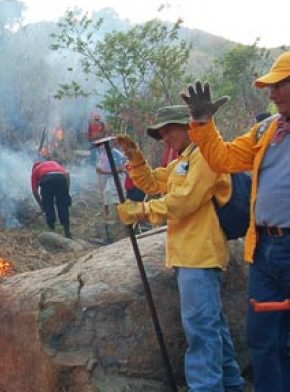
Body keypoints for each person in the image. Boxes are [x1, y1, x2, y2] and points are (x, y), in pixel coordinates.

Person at [114, 104, 245, 392]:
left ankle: (206, 387)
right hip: (189, 255)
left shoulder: (205, 158)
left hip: (200, 254)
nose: (164, 137)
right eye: (160, 133)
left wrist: (141, 211)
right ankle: (233, 384)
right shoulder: (184, 160)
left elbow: (183, 201)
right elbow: (154, 181)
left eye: (168, 129)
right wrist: (135, 158)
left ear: (187, 126)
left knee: (200, 331)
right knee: (213, 327)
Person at [180, 51, 290, 392]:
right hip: (264, 249)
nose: (270, 94)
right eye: (269, 87)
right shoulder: (265, 130)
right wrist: (202, 123)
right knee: (263, 338)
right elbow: (223, 158)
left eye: (278, 85)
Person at [31, 160, 72, 238]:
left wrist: (42, 205)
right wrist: (67, 193)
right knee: (63, 205)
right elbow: (67, 175)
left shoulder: (35, 170)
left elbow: (34, 191)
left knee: (48, 205)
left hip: (47, 181)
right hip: (61, 179)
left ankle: (52, 228)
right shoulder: (53, 163)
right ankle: (67, 230)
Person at [95, 146, 127, 216]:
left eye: (103, 145)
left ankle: (120, 213)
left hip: (117, 177)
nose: (101, 147)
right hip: (109, 177)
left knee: (116, 196)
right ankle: (106, 212)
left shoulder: (115, 153)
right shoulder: (103, 153)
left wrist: (104, 172)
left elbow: (121, 168)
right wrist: (99, 169)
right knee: (106, 194)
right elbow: (100, 165)